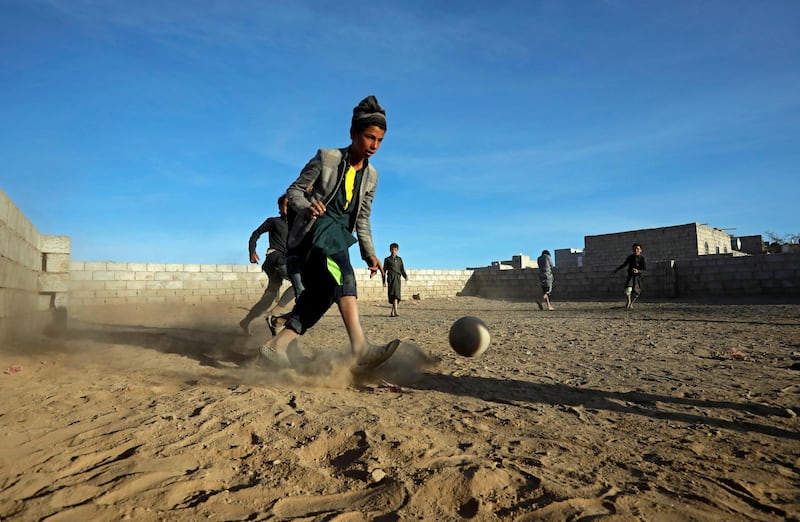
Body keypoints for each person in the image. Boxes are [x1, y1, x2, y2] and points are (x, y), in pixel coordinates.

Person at [257, 95, 400, 373]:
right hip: (313, 232)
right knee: (344, 273)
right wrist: (308, 206)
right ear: (353, 133)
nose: (374, 145)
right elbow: (294, 191)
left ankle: (276, 346)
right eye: (369, 137)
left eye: (380, 140)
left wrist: (370, 253)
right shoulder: (327, 157)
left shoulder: (372, 177)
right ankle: (360, 347)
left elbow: (362, 217)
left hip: (337, 239)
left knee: (322, 295)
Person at [239, 195, 304, 335]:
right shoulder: (274, 221)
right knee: (298, 281)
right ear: (280, 207)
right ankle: (275, 314)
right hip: (275, 258)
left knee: (268, 298)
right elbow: (255, 234)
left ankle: (246, 321)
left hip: (284, 261)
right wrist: (252, 252)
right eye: (285, 205)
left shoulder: (295, 225)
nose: (288, 208)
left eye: (291, 205)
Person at [613, 243, 646, 308]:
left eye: (637, 249)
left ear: (640, 250)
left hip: (638, 277)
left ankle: (631, 303)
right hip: (630, 276)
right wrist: (617, 269)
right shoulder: (630, 257)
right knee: (628, 289)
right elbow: (624, 264)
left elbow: (644, 269)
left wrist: (638, 271)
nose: (636, 250)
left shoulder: (642, 258)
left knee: (636, 292)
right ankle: (628, 302)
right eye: (634, 249)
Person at [383, 242, 409, 317]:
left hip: (397, 278)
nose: (394, 251)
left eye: (395, 250)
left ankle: (393, 311)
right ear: (390, 250)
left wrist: (405, 276)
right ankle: (395, 311)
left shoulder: (399, 259)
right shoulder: (387, 259)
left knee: (397, 295)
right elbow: (384, 271)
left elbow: (402, 269)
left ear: (397, 250)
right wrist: (383, 281)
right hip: (391, 278)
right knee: (393, 295)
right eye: (392, 249)